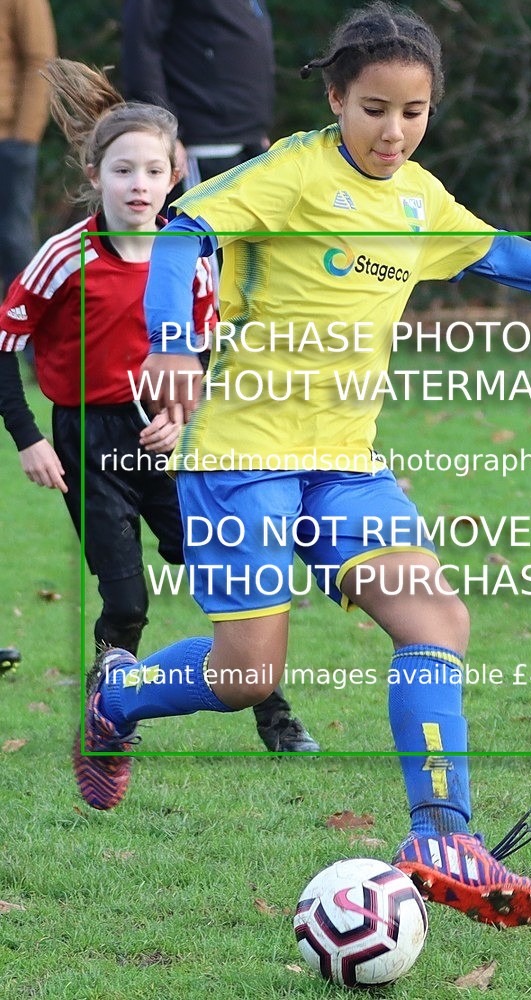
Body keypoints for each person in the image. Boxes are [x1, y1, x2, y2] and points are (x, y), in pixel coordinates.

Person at [73, 2, 531, 929]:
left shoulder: (418, 200)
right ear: (335, 97)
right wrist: (173, 343)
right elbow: (186, 229)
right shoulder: (288, 174)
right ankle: (119, 694)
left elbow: (502, 253)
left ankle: (442, 834)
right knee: (246, 674)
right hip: (245, 457)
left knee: (436, 614)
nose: (394, 131)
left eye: (413, 112)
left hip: (345, 462)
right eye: (373, 109)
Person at [0, 59, 319, 754]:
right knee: (125, 600)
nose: (138, 184)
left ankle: (275, 716)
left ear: (175, 176)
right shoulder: (63, 257)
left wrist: (182, 414)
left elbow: (202, 352)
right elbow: (4, 342)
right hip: (88, 439)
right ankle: (107, 713)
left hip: (170, 436)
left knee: (226, 579)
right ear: (94, 177)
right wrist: (29, 437)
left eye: (152, 170)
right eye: (122, 170)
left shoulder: (196, 259)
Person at [121, 0, 275, 197]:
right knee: (201, 227)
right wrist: (164, 131)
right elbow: (140, 46)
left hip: (250, 144)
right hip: (198, 147)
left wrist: (256, 126)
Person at [0, 0, 56, 295]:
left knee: (13, 240)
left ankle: (26, 333)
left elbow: (39, 60)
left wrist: (24, 135)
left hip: (9, 140)